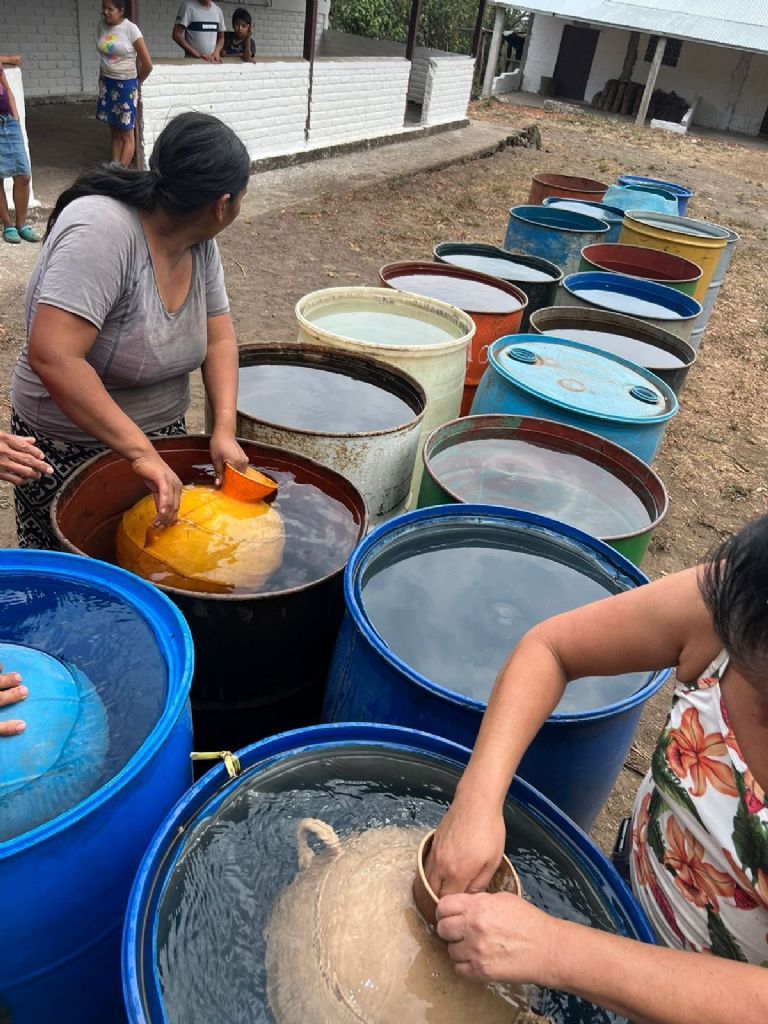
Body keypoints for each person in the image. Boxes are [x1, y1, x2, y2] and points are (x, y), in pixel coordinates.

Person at [428, 516, 768, 1024]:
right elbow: (551, 650)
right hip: (628, 886)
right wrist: (476, 801)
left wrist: (557, 950)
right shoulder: (741, 608)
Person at [10, 111, 250, 550]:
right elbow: (54, 355)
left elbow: (219, 338)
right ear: (223, 204)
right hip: (68, 446)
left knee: (149, 558)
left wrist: (224, 430)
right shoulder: (102, 231)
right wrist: (140, 452)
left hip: (159, 439)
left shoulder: (199, 243)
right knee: (80, 574)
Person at [96, 0, 153, 167]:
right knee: (114, 130)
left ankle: (120, 174)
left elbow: (147, 64)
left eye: (110, 9)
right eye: (103, 8)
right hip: (107, 83)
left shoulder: (131, 29)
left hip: (126, 85)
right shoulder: (101, 25)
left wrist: (135, 84)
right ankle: (113, 169)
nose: (105, 12)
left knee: (127, 134)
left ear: (121, 11)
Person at [0, 64, 39, 244]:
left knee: (23, 175)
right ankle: (8, 225)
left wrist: (15, 116)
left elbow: (7, 88)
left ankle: (21, 225)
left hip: (8, 122)